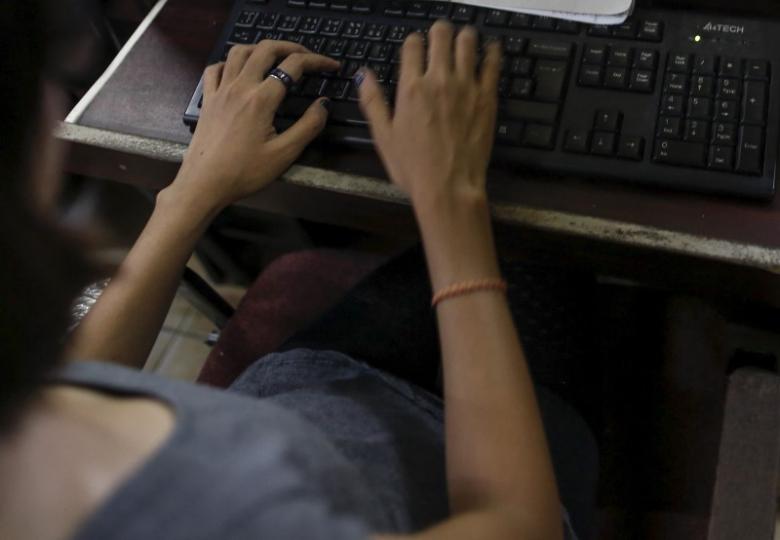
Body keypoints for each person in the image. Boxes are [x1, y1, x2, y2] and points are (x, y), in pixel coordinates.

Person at [0, 1, 596, 539]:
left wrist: (191, 194)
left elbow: (68, 388)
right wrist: (450, 205)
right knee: (547, 258)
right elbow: (518, 524)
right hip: (484, 486)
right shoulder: (243, 515)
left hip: (316, 394)